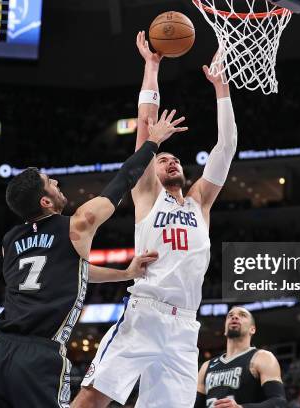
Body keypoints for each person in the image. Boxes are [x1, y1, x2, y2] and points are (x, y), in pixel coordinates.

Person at [0, 109, 186, 408]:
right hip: (37, 354)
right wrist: (153, 142)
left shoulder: (9, 242)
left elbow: (65, 270)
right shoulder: (76, 225)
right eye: (50, 182)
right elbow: (123, 180)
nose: (56, 182)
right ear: (45, 201)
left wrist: (125, 273)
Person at [74, 31, 238, 408]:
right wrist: (151, 68)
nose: (172, 161)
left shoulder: (200, 203)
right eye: (164, 159)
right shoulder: (147, 196)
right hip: (145, 312)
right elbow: (146, 126)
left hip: (185, 327)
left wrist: (221, 88)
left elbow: (225, 148)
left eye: (176, 160)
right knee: (93, 396)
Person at [195, 307, 287, 408]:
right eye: (230, 315)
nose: (234, 317)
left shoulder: (262, 357)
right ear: (225, 330)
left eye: (242, 315)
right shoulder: (206, 366)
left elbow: (279, 402)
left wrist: (241, 407)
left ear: (252, 329)